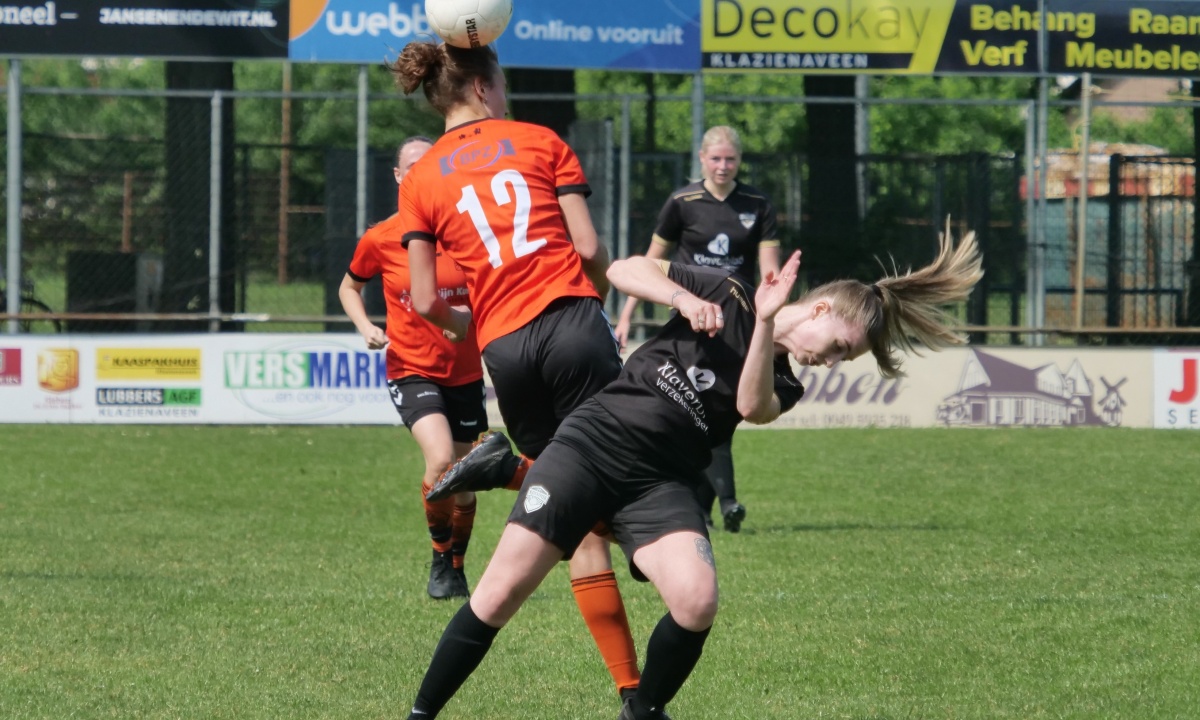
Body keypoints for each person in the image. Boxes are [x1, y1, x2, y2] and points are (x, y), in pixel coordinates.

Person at [405, 223, 983, 719]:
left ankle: (643, 709)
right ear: (823, 309)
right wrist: (680, 299)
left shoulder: (787, 379)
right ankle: (420, 713)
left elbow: (752, 406)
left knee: (696, 599)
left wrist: (764, 324)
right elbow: (628, 269)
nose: (827, 362)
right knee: (499, 595)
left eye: (840, 359)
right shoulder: (728, 289)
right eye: (837, 346)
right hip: (592, 445)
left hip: (661, 483)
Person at [386, 40, 643, 704]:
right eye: (501, 82)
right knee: (630, 481)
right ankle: (636, 674)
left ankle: (631, 691)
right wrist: (591, 301)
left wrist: (474, 330)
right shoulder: (537, 141)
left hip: (506, 350)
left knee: (571, 508)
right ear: (483, 86)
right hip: (571, 321)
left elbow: (422, 300)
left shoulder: (420, 178)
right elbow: (588, 247)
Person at [613, 125, 782, 533]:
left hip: (736, 320)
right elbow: (650, 260)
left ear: (739, 161)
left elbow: (770, 270)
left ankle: (711, 503)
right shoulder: (682, 201)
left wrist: (772, 316)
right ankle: (721, 502)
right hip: (692, 315)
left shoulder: (757, 203)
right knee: (696, 408)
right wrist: (626, 315)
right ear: (702, 159)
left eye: (731, 159)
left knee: (714, 410)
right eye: (716, 158)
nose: (723, 166)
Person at [338, 135, 484, 600]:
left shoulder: (469, 231)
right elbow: (349, 287)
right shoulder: (381, 237)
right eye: (414, 166)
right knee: (440, 460)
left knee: (463, 481)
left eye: (433, 164)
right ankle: (440, 558)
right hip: (410, 368)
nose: (424, 172)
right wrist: (364, 325)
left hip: (465, 373)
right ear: (399, 177)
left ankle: (456, 565)